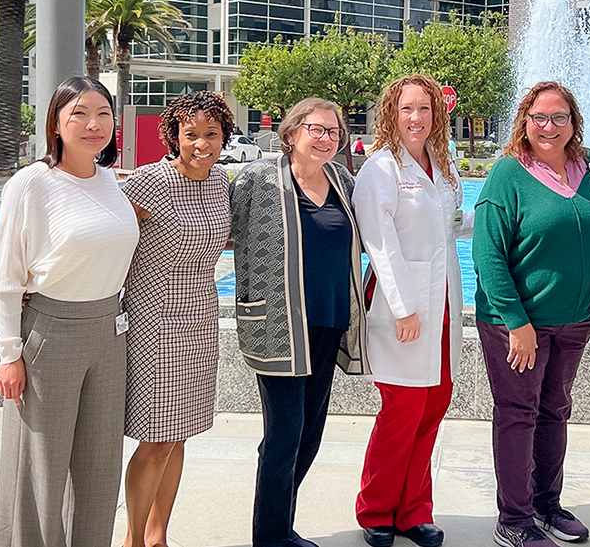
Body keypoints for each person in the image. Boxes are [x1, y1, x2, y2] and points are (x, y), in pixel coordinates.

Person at [0, 77, 140, 547]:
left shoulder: (112, 182)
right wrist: (8, 352)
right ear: (56, 122)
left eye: (103, 113)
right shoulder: (31, 184)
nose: (93, 124)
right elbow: (8, 275)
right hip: (50, 333)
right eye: (78, 113)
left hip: (110, 332)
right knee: (41, 466)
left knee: (99, 466)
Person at [472, 81, 590, 547]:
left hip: (574, 320)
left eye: (559, 117)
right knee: (519, 413)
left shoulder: (589, 163)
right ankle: (514, 519)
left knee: (555, 410)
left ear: (574, 122)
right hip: (517, 324)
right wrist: (516, 322)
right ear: (524, 122)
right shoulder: (507, 174)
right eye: (539, 118)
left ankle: (547, 506)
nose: (548, 127)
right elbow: (487, 253)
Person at [230, 97, 369, 547]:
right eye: (316, 129)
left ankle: (281, 524)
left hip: (329, 320)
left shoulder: (343, 180)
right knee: (285, 432)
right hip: (277, 325)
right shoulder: (257, 179)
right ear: (291, 133)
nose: (326, 138)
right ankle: (269, 536)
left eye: (334, 131)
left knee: (310, 430)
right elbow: (223, 231)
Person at [352, 74, 473, 547]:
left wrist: (505, 214)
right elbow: (380, 246)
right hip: (403, 308)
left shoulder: (443, 166)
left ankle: (414, 511)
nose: (417, 118)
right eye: (407, 109)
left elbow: (454, 227)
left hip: (442, 304)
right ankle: (377, 510)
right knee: (402, 411)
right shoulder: (380, 169)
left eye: (425, 109)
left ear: (437, 114)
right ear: (391, 113)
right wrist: (403, 309)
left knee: (433, 408)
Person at [120, 91, 234, 547]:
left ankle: (158, 535)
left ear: (224, 135)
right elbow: (105, 233)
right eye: (191, 134)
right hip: (156, 318)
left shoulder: (222, 182)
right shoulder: (149, 181)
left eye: (211, 133)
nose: (201, 143)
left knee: (180, 435)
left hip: (201, 317)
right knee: (157, 439)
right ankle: (132, 539)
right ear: (174, 136)